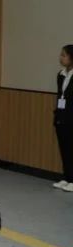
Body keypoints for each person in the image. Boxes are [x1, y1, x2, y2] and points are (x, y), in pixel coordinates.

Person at [54, 44, 73, 191]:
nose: (61, 58)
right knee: (64, 148)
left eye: (64, 55)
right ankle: (67, 177)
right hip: (61, 116)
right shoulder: (60, 74)